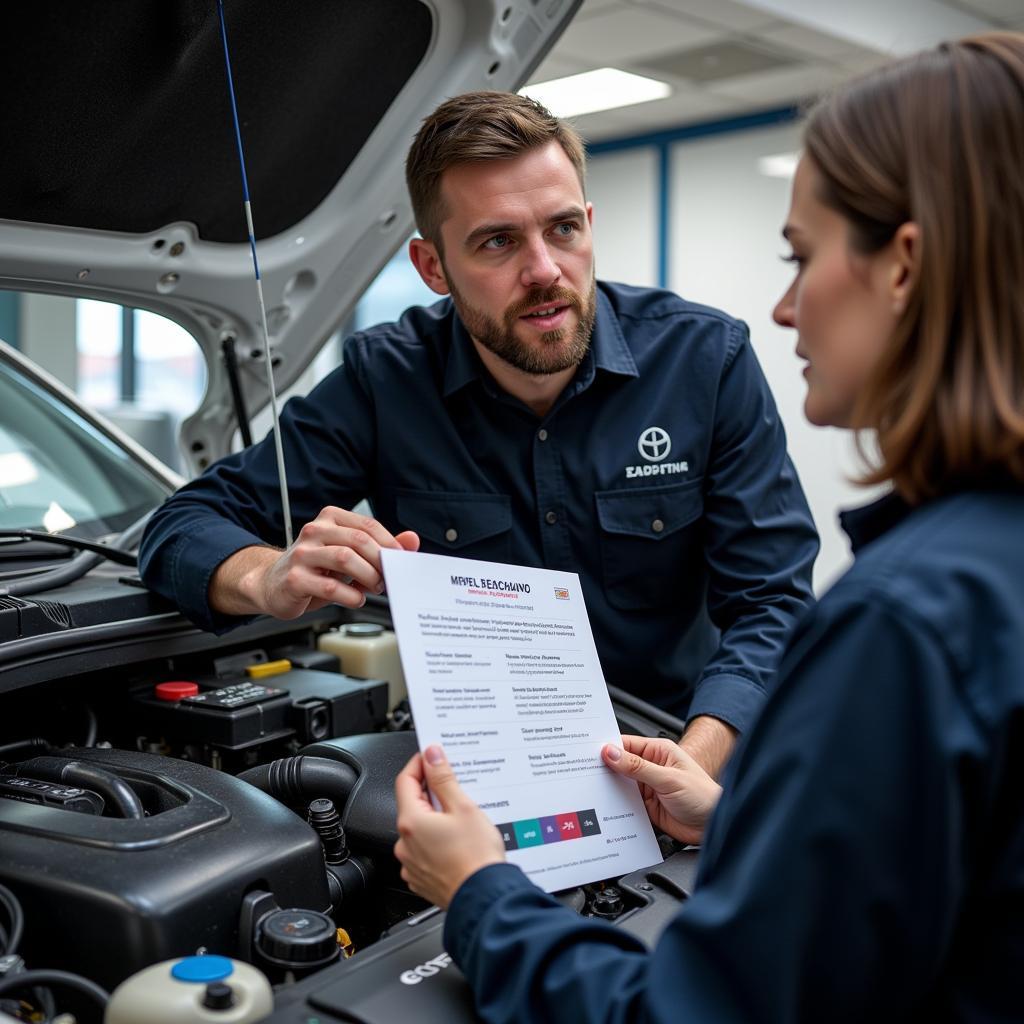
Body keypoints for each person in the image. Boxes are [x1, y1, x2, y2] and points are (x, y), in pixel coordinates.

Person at [392, 32, 1024, 1022]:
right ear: (435, 265)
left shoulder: (907, 622)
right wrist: (734, 821)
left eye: (801, 257)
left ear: (901, 268)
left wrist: (479, 893)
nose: (780, 306)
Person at [138, 91, 818, 778]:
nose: (545, 271)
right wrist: (269, 576)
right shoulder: (385, 382)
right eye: (498, 241)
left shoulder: (705, 362)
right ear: (432, 266)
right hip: (486, 771)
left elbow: (774, 602)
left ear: (588, 224)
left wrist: (692, 765)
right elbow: (181, 527)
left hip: (682, 742)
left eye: (562, 230)